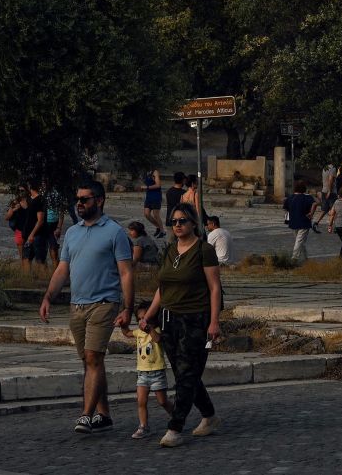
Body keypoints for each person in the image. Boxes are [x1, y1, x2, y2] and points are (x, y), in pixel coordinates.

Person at [39, 180, 133, 434]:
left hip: (104, 303)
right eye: (77, 199)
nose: (79, 204)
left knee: (93, 357)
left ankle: (86, 415)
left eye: (85, 199)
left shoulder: (115, 232)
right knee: (89, 361)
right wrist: (48, 296)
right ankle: (104, 414)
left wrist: (128, 308)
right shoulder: (72, 232)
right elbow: (62, 269)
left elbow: (126, 273)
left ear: (99, 201)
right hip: (77, 305)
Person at [138, 202, 222, 448]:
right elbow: (162, 289)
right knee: (186, 374)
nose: (177, 225)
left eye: (182, 221)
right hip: (169, 318)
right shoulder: (169, 251)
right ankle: (210, 416)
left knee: (186, 374)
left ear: (193, 223)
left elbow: (215, 287)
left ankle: (175, 428)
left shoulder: (204, 250)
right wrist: (148, 316)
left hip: (196, 318)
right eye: (173, 221)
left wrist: (215, 322)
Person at [124, 307, 171, 439]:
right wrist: (123, 324)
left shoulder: (157, 331)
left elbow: (157, 339)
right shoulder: (139, 332)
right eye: (139, 319)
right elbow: (127, 333)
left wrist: (149, 329)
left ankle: (177, 416)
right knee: (141, 401)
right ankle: (143, 426)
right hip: (142, 373)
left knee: (162, 401)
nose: (142, 321)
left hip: (157, 372)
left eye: (145, 318)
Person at [283, 181, 317, 264]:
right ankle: (294, 258)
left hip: (293, 222)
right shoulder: (307, 197)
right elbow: (315, 204)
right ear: (304, 189)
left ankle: (305, 259)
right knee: (300, 241)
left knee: (299, 240)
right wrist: (311, 213)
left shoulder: (290, 197)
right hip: (304, 222)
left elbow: (285, 208)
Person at [141, 169, 165, 238]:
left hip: (156, 196)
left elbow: (158, 185)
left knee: (156, 215)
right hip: (149, 196)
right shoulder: (145, 172)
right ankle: (158, 227)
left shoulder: (155, 172)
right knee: (146, 214)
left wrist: (147, 187)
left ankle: (162, 231)